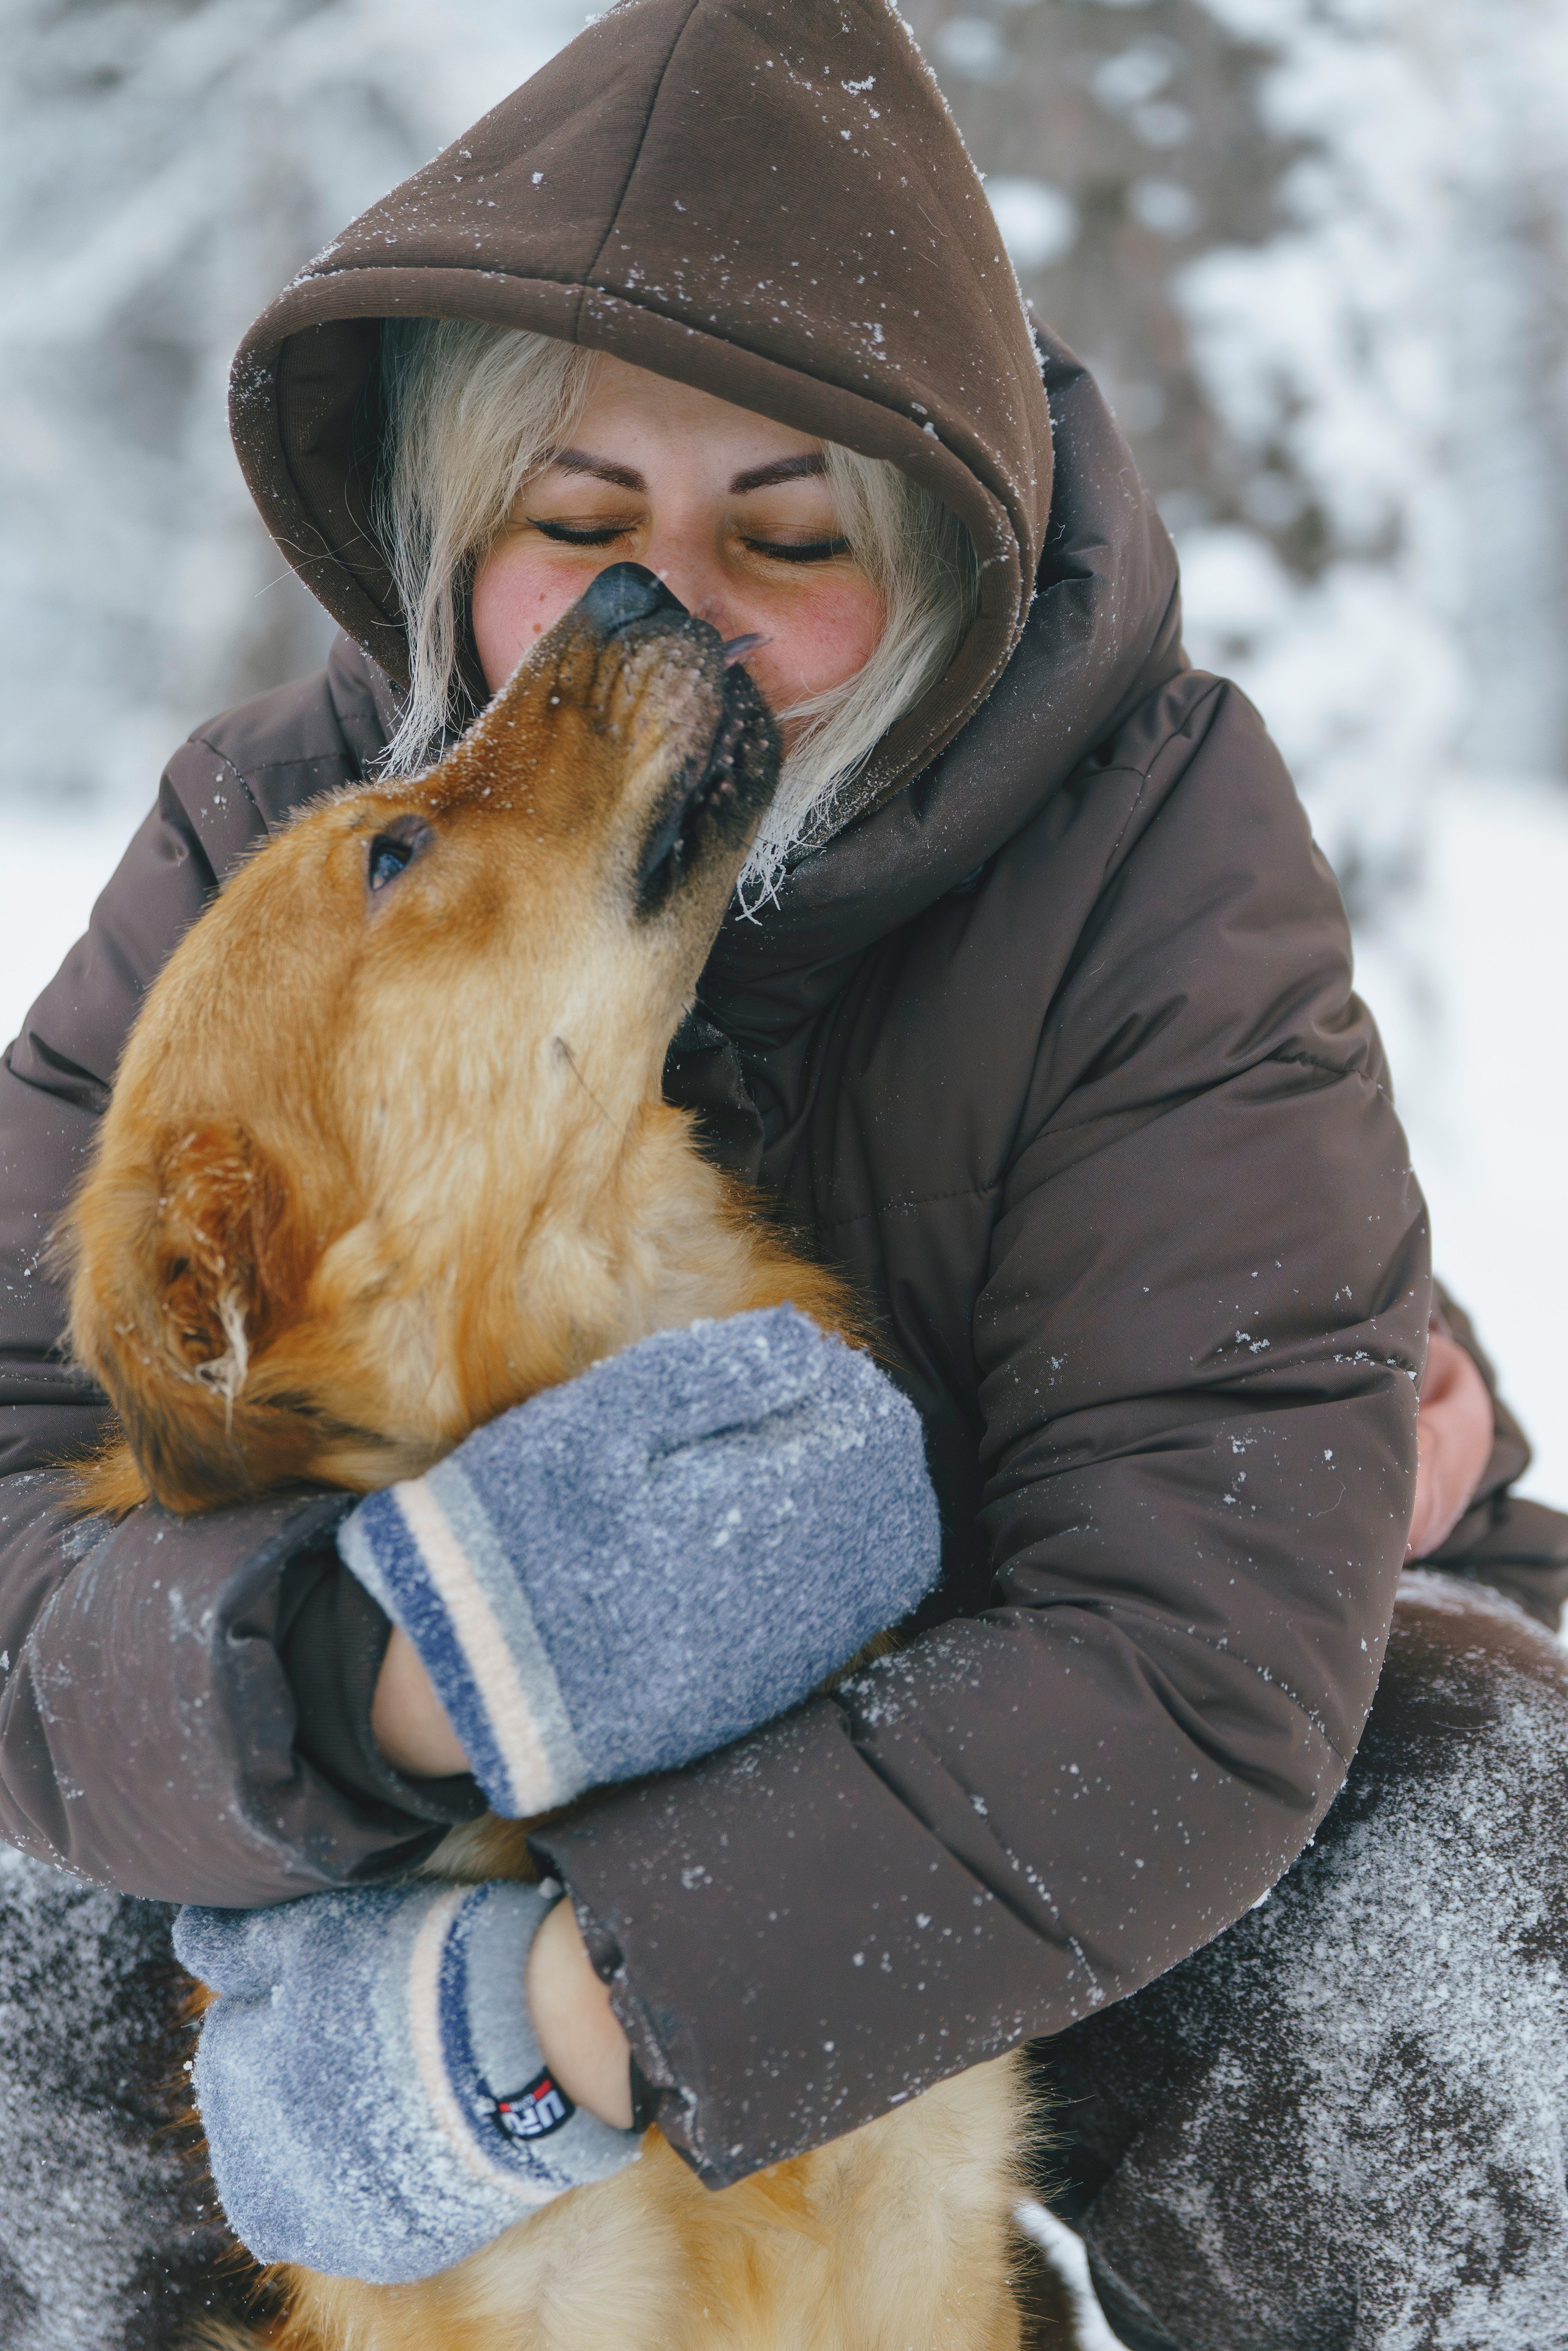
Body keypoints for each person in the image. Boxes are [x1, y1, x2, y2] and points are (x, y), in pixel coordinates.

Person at [1, 0, 1564, 2329]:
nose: (671, 607)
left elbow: (1197, 1646)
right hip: (394, 1819)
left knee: (1489, 1820)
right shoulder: (296, 846)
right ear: (463, 526)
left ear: (940, 561)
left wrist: (551, 2028)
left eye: (793, 532)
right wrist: (375, 1686)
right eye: (581, 524)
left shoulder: (1159, 850)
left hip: (1030, 1786)